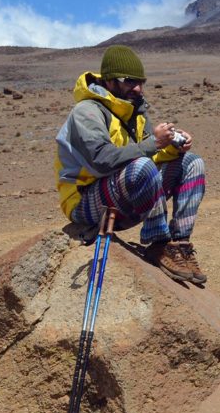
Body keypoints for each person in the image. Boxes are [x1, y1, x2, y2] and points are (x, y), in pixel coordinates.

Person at [54, 45, 207, 284]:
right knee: (142, 165)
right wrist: (155, 143)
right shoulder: (87, 112)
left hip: (123, 191)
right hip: (84, 200)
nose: (138, 89)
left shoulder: (134, 110)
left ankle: (180, 245)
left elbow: (149, 153)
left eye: (141, 82)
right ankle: (159, 244)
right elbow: (102, 160)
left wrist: (171, 148)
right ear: (109, 81)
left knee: (192, 163)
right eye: (129, 82)